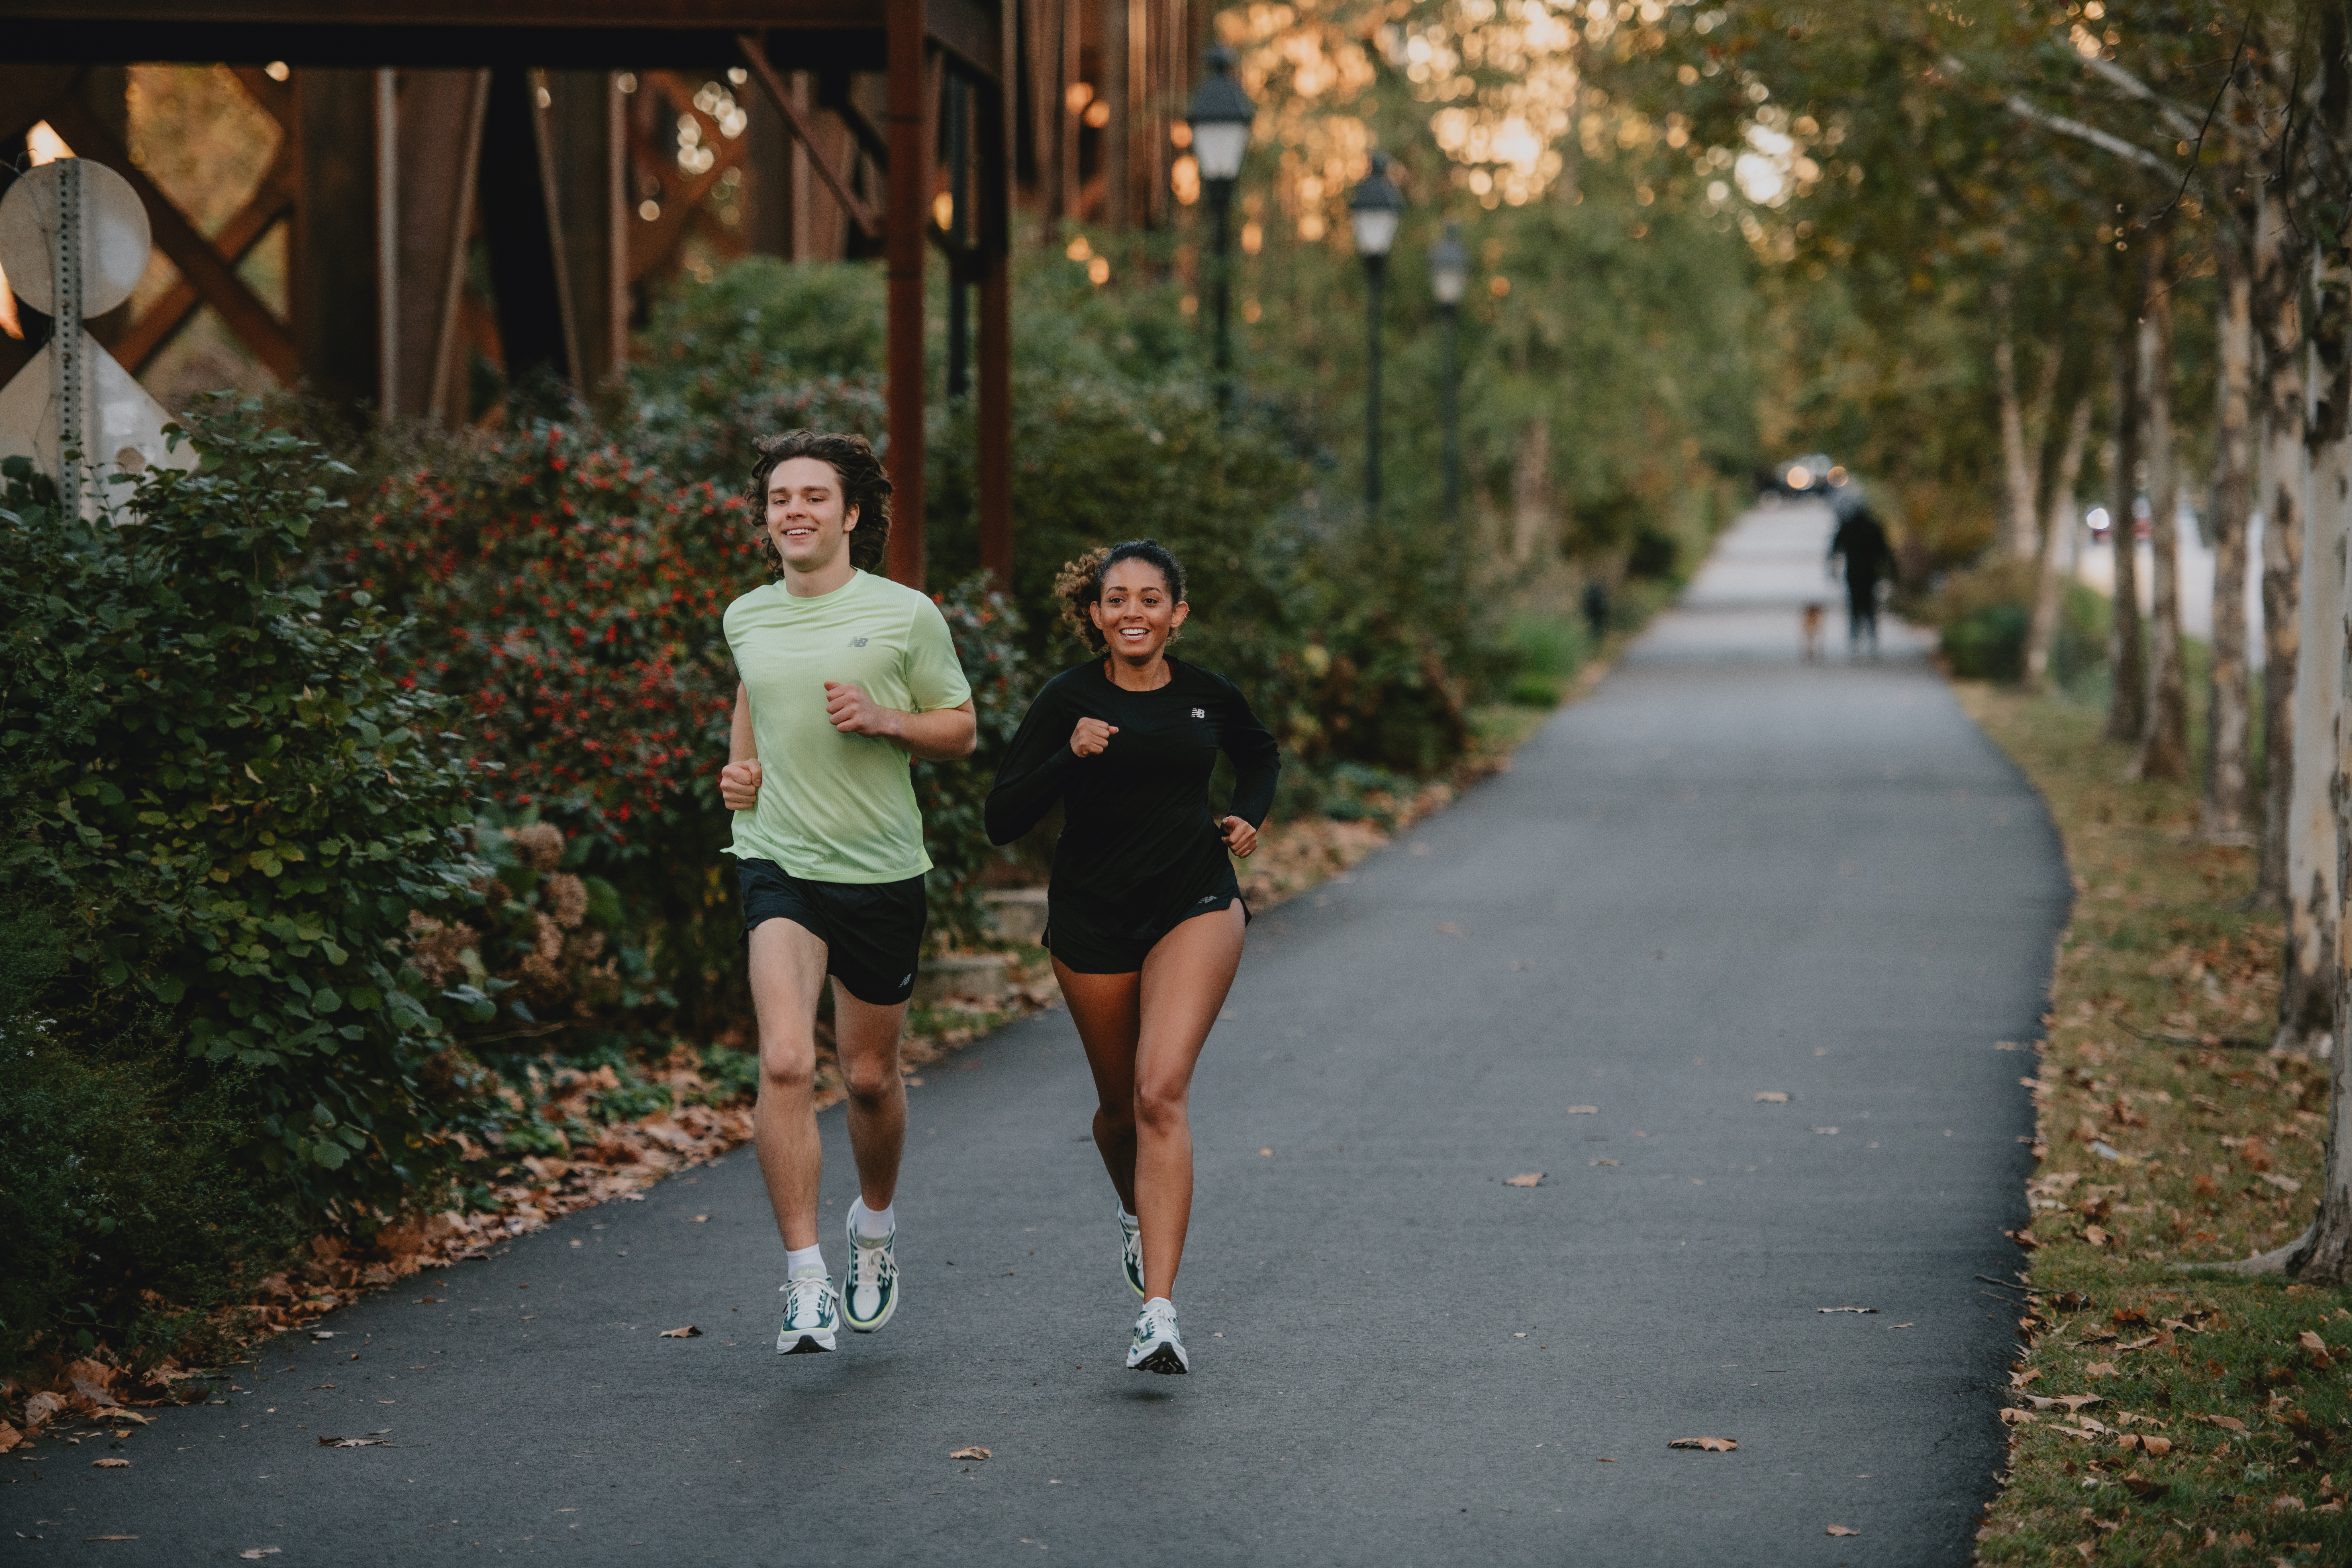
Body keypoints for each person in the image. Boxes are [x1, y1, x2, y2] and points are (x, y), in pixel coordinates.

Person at [983, 540, 1279, 1375]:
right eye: (1117, 599)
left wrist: (1248, 813)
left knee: (1159, 1091)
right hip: (1092, 914)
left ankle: (1159, 1311)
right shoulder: (1064, 699)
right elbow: (1000, 817)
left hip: (1195, 898)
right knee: (1118, 1111)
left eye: (1151, 599)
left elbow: (1258, 754)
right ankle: (1135, 1210)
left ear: (1176, 614)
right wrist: (1064, 753)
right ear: (1095, 614)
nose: (1133, 613)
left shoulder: (1205, 696)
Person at [715, 430, 977, 1354]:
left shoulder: (906, 616)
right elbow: (752, 692)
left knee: (867, 1076)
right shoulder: (746, 614)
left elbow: (961, 729)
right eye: (779, 497)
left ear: (851, 513)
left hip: (879, 868)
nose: (793, 510)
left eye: (813, 497)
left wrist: (887, 719)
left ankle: (873, 1228)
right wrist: (738, 767)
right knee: (786, 1060)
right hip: (776, 859)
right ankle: (804, 1280)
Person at [1827, 496, 1896, 660]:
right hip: (1870, 572)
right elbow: (1885, 552)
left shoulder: (1847, 527)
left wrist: (1832, 570)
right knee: (1870, 603)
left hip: (1853, 572)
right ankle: (1872, 638)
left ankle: (1855, 638)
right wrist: (1892, 573)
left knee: (1854, 603)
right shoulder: (1873, 527)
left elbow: (1835, 550)